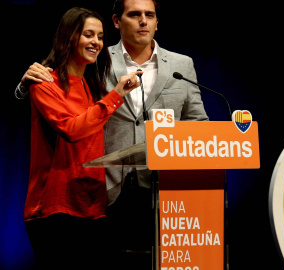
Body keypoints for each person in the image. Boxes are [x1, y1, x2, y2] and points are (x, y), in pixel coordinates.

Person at [15, 0, 209, 268]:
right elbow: (64, 103)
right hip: (104, 194)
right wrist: (23, 86)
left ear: (157, 21)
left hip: (160, 193)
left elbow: (198, 122)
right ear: (118, 21)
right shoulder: (99, 62)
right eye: (134, 14)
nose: (143, 21)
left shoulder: (181, 64)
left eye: (149, 15)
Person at [23, 6, 143, 270]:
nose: (96, 42)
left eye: (100, 37)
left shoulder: (90, 85)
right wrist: (117, 96)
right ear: (69, 36)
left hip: (92, 205)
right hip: (56, 208)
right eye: (88, 35)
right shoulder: (45, 83)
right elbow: (73, 130)